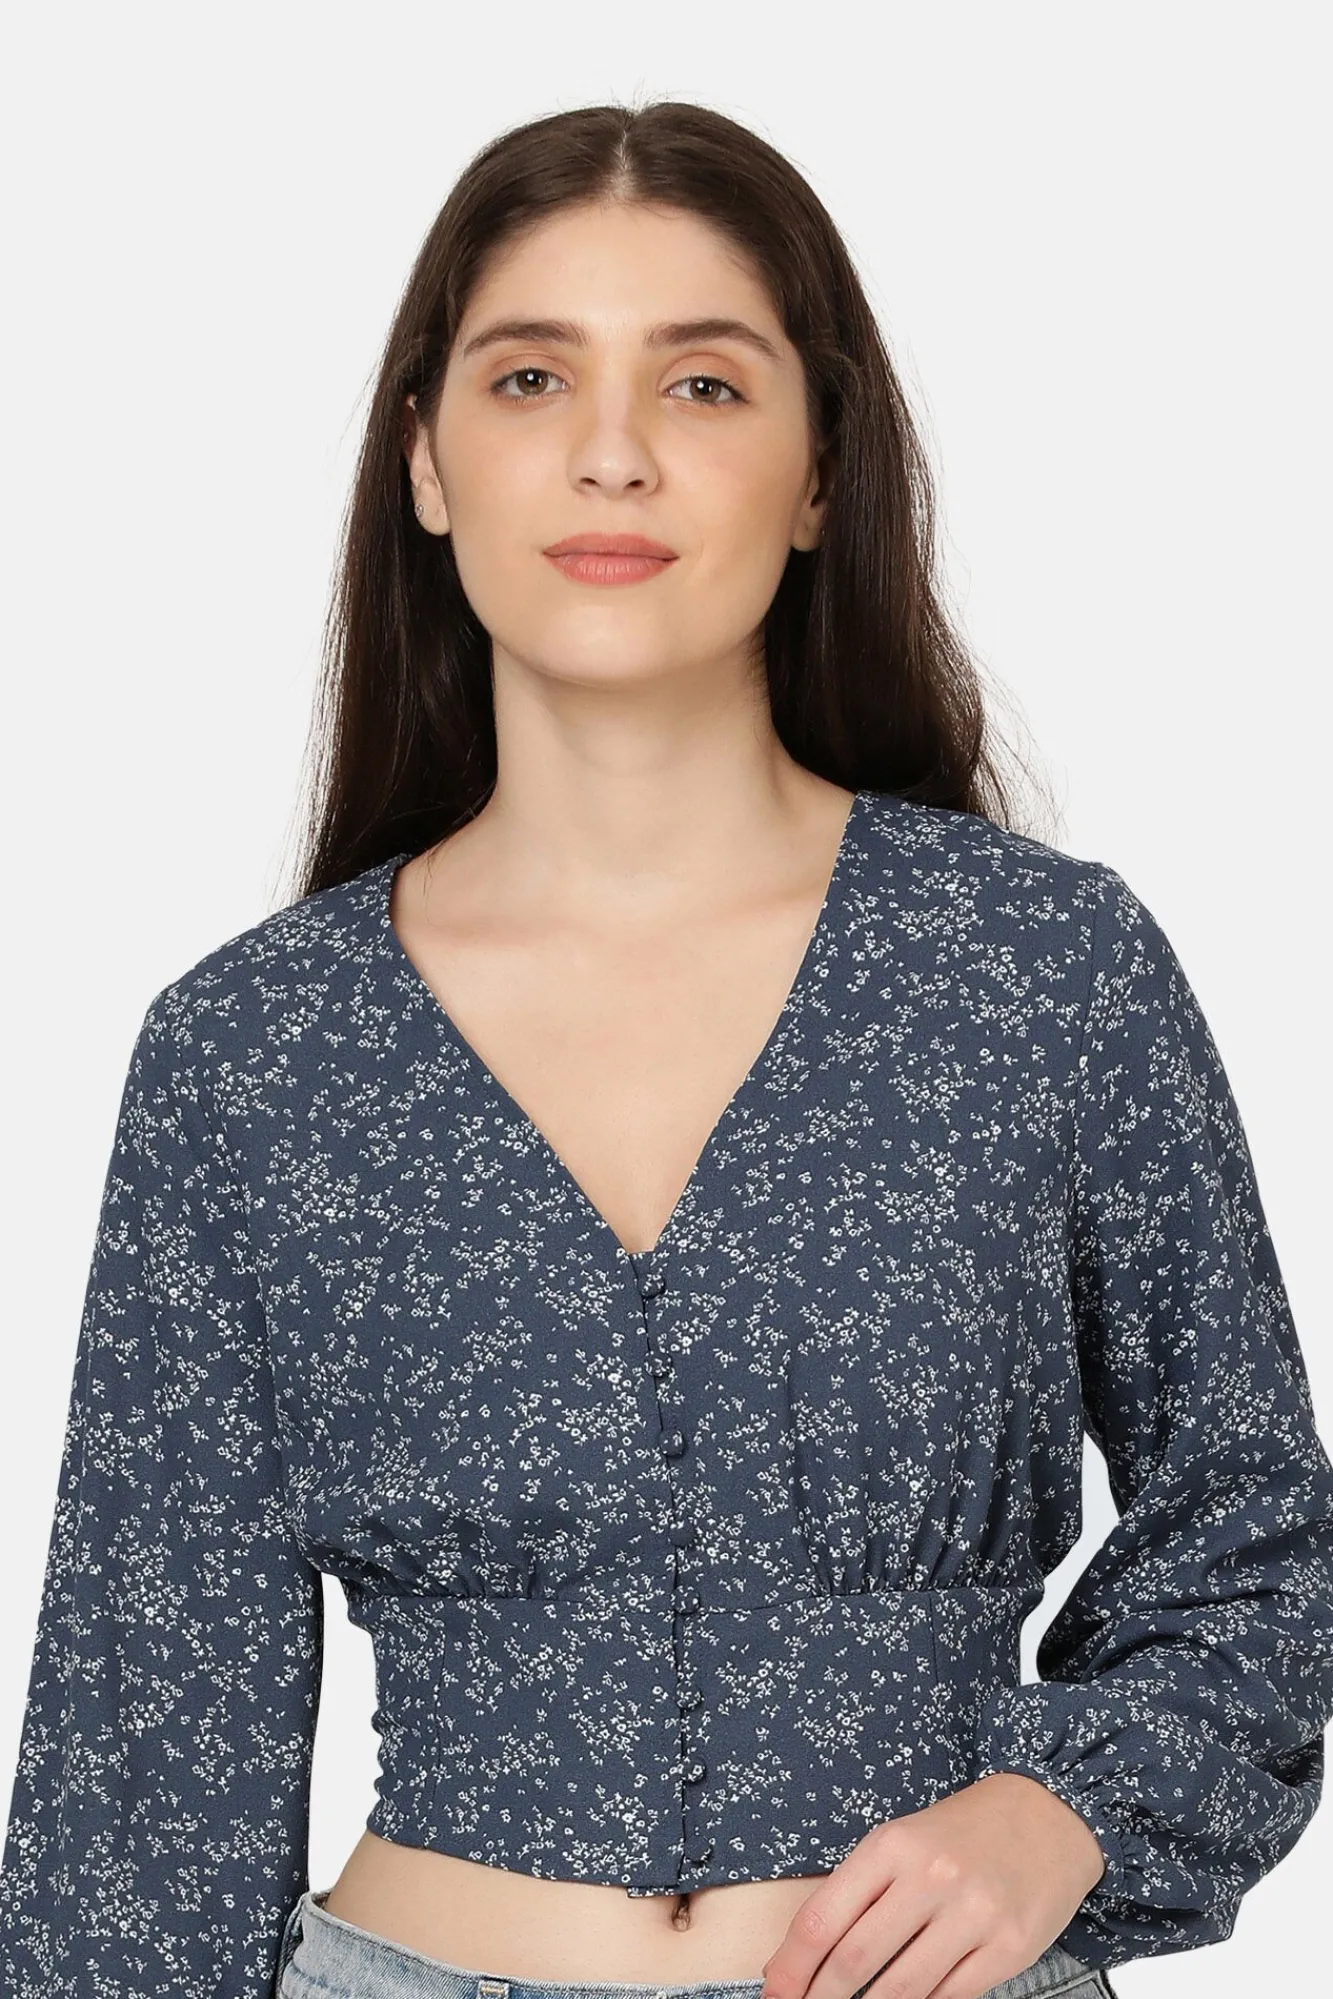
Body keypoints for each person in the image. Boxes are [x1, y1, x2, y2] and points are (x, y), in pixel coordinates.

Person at [2, 98, 1331, 1999]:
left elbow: (1262, 1539)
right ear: (427, 461)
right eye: (530, 377)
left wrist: (1069, 1806)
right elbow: (144, 1773)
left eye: (703, 384)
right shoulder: (254, 1056)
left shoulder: (1039, 973)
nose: (612, 452)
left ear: (818, 472)